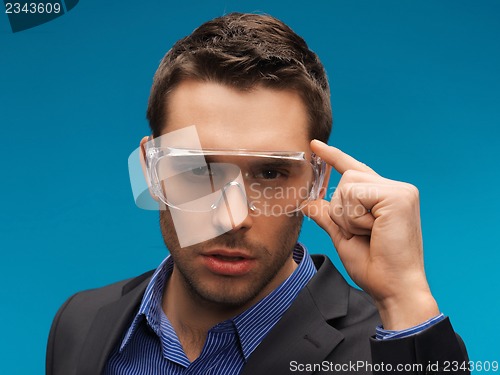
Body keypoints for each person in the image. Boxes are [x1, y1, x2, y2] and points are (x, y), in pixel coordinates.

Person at [46, 12, 469, 375]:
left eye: (270, 172)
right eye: (199, 169)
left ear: (317, 183)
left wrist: (405, 298)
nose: (232, 218)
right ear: (150, 170)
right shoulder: (80, 321)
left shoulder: (390, 350)